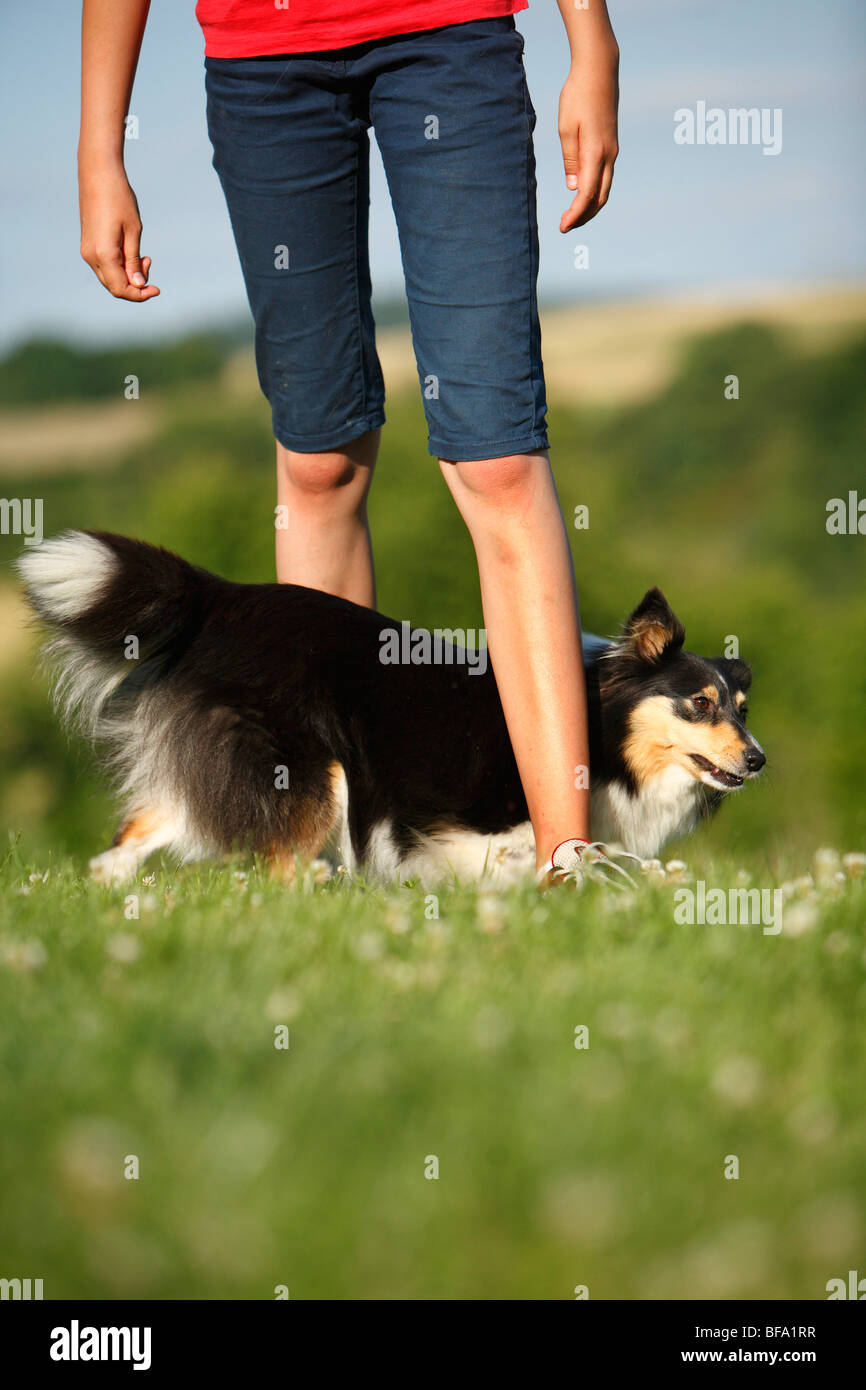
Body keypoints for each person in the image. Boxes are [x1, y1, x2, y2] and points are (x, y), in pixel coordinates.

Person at [78, 1, 620, 882]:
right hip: (263, 63)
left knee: (500, 458)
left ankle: (570, 854)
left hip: (451, 39)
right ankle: (335, 853)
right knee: (318, 462)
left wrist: (592, 39)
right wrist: (99, 150)